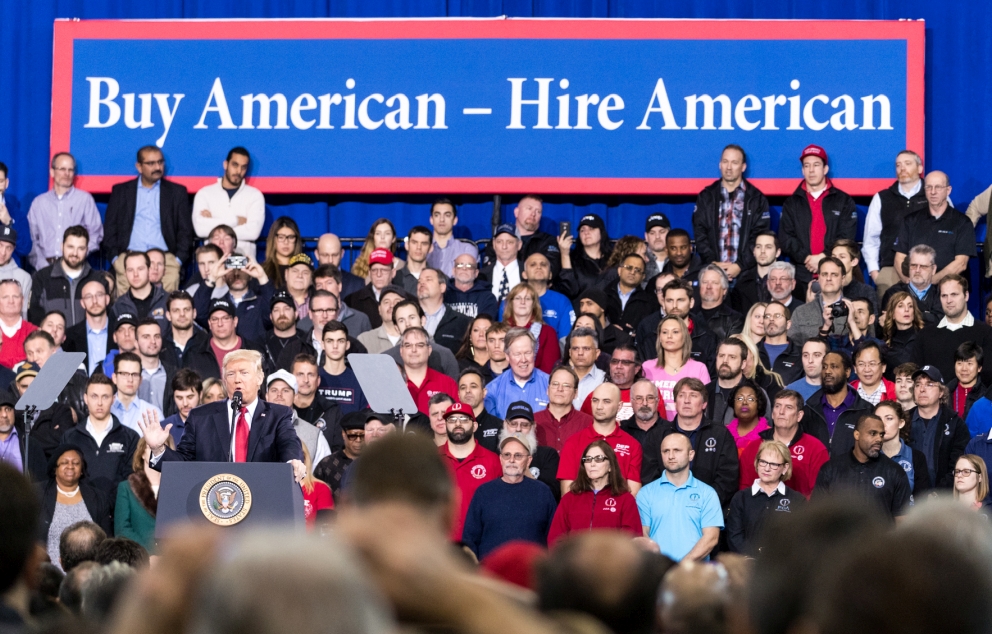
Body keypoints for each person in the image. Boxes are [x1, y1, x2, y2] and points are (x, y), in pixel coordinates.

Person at [138, 349, 306, 482]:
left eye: (244, 373)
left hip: (261, 506)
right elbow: (183, 464)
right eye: (231, 374)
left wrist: (292, 461)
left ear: (259, 378)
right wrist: (158, 449)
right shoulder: (201, 416)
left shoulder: (277, 415)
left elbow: (288, 443)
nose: (237, 380)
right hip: (213, 508)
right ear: (225, 381)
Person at [104, 146, 192, 292]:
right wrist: (116, 260)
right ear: (139, 167)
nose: (157, 167)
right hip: (130, 256)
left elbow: (185, 231)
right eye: (151, 163)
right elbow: (110, 229)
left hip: (165, 259)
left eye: (160, 162)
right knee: (127, 308)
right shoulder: (121, 191)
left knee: (168, 306)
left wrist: (177, 261)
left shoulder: (177, 192)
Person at [641, 377, 739, 508]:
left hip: (707, 509)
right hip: (666, 508)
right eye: (681, 395)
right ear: (675, 402)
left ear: (704, 404)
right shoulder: (657, 435)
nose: (687, 401)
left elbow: (728, 478)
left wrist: (702, 503)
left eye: (693, 395)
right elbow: (650, 477)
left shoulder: (720, 434)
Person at [461, 434, 556, 559]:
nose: (511, 460)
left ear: (528, 460)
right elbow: (469, 539)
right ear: (500, 459)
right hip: (491, 574)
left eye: (518, 455)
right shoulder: (483, 492)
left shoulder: (543, 492)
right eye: (507, 455)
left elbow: (554, 538)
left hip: (532, 573)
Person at [778, 145, 858, 287]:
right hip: (801, 275)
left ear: (825, 169)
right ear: (802, 170)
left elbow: (846, 236)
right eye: (807, 166)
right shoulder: (791, 203)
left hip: (836, 275)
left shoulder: (843, 200)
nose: (811, 170)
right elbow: (786, 238)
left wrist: (823, 257)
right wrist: (806, 258)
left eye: (816, 165)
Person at [638, 431, 723, 561]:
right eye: (665, 451)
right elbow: (643, 536)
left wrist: (682, 566)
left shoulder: (707, 493)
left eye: (677, 450)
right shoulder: (645, 493)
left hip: (695, 574)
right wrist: (659, 566)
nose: (671, 456)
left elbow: (711, 538)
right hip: (657, 573)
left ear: (691, 455)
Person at [692, 144, 771, 281]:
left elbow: (759, 236)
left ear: (743, 167)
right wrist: (713, 263)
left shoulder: (756, 198)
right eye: (725, 161)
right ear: (719, 165)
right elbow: (700, 233)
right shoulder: (706, 196)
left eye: (734, 162)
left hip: (746, 276)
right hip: (713, 276)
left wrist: (740, 265)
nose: (729, 167)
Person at [813, 414, 911, 520]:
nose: (879, 439)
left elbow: (902, 520)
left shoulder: (894, 471)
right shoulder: (831, 469)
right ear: (857, 435)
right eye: (873, 433)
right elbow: (818, 517)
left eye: (881, 435)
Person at [546, 440, 641, 545]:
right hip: (574, 560)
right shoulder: (569, 499)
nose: (592, 464)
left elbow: (632, 540)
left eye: (598, 459)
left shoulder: (625, 499)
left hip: (612, 560)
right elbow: (556, 538)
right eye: (587, 459)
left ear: (610, 466)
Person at [862, 150, 928, 298]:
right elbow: (870, 239)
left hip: (927, 271)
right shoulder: (882, 198)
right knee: (888, 319)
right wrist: (875, 274)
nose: (902, 168)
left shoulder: (933, 195)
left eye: (908, 164)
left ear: (920, 168)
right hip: (890, 271)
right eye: (898, 165)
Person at [738, 390, 829, 497]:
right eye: (777, 406)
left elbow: (819, 494)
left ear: (799, 416)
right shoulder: (753, 448)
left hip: (801, 512)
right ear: (772, 413)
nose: (781, 411)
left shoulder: (815, 449)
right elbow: (743, 491)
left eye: (788, 407)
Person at [557, 383, 642, 496]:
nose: (599, 406)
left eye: (606, 401)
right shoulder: (573, 442)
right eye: (595, 400)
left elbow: (633, 494)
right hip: (581, 512)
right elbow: (567, 493)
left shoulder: (632, 445)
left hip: (617, 511)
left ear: (619, 406)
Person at [39, 445, 113, 569]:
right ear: (55, 469)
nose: (70, 466)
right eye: (64, 462)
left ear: (82, 469)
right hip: (50, 575)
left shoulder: (98, 497)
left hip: (91, 576)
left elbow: (107, 540)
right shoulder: (38, 493)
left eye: (76, 463)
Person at [894, 171, 974, 285]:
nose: (933, 192)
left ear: (948, 190)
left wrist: (929, 283)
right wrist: (909, 283)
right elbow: (899, 258)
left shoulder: (962, 223)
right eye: (929, 187)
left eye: (938, 187)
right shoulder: (910, 221)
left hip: (949, 292)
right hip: (915, 289)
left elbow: (961, 263)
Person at [436, 401, 502, 540]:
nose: (457, 424)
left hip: (479, 544)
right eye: (452, 420)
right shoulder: (431, 458)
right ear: (446, 425)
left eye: (464, 419)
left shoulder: (493, 461)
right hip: (439, 545)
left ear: (475, 426)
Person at [727, 440, 806, 555]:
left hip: (783, 568)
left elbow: (801, 539)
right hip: (746, 566)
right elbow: (734, 536)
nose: (767, 468)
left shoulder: (797, 501)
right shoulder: (741, 498)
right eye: (763, 462)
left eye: (774, 464)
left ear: (784, 468)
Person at [27, 152, 103, 272]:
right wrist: (42, 265)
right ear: (52, 172)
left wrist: (77, 257)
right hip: (44, 269)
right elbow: (31, 239)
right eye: (62, 169)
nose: (66, 174)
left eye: (70, 170)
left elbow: (95, 234)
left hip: (76, 269)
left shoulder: (84, 199)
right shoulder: (39, 203)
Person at [913, 275, 992, 385]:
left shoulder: (986, 334)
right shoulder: (925, 335)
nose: (948, 300)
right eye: (944, 296)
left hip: (973, 400)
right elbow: (918, 376)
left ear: (966, 296)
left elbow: (988, 377)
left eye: (954, 294)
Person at [191, 147, 264, 260]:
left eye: (243, 167)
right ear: (226, 164)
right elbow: (200, 230)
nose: (239, 171)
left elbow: (253, 232)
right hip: (212, 260)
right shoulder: (204, 193)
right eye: (235, 165)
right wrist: (235, 221)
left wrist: (213, 223)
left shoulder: (255, 195)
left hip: (242, 260)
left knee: (235, 272)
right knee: (213, 273)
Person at [637, 278, 719, 378]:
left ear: (691, 302)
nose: (674, 306)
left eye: (680, 300)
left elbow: (712, 379)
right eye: (670, 300)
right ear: (663, 303)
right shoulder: (649, 337)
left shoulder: (708, 338)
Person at [907, 364, 970, 488]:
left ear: (941, 392)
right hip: (908, 496)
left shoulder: (955, 423)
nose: (922, 389)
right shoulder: (903, 421)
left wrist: (938, 494)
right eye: (918, 384)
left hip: (943, 498)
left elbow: (958, 466)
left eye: (929, 384)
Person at [193, 253, 275, 344]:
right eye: (231, 270)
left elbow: (275, 313)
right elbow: (197, 313)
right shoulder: (217, 305)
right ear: (224, 275)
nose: (236, 274)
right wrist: (212, 277)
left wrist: (262, 277)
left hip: (253, 356)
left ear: (250, 274)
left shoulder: (261, 303)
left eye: (241, 269)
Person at [801, 350, 871, 455]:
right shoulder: (809, 410)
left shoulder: (865, 411)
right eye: (824, 367)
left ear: (847, 372)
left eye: (834, 366)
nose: (827, 371)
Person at [28, 225, 100, 327]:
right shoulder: (41, 278)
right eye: (70, 247)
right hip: (51, 341)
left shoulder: (96, 279)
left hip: (84, 342)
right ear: (62, 246)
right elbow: (33, 314)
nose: (75, 253)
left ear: (87, 250)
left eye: (81, 248)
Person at [642, 315, 711, 421]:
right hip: (654, 428)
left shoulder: (699, 368)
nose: (669, 336)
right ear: (660, 337)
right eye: (664, 332)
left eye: (675, 332)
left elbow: (705, 405)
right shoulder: (646, 367)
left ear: (684, 336)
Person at [183, 298, 267, 381]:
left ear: (235, 321)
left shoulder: (254, 352)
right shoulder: (194, 354)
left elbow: (264, 388)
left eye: (225, 318)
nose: (220, 324)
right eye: (215, 319)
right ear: (209, 323)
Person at [114, 435, 173, 552]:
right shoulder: (126, 487)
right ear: (142, 453)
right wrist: (147, 553)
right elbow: (122, 529)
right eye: (152, 447)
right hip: (139, 558)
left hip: (170, 560)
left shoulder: (177, 487)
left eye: (162, 448)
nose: (157, 452)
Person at [266, 369, 332, 470]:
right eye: (274, 390)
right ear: (266, 396)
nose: (279, 395)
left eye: (285, 390)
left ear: (295, 397)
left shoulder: (314, 434)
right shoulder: (252, 427)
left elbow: (325, 473)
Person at [383, 300, 460, 379]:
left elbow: (454, 388)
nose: (408, 324)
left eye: (412, 317)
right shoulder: (386, 359)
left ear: (423, 320)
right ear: (396, 328)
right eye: (401, 320)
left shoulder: (445, 355)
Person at [484, 328, 550, 418]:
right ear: (507, 356)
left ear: (534, 353)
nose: (523, 360)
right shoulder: (492, 390)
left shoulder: (550, 384)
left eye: (527, 353)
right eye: (517, 354)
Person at [497, 401, 559, 495]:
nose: (518, 429)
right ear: (505, 424)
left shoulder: (548, 455)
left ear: (533, 426)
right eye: (513, 424)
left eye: (524, 425)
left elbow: (552, 494)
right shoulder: (495, 454)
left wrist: (524, 467)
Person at [787, 257, 851, 346]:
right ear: (819, 278)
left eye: (834, 274)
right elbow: (791, 348)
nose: (828, 278)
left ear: (843, 279)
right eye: (824, 274)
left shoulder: (854, 309)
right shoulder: (801, 312)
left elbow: (867, 344)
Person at [500, 283, 560, 374]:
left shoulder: (548, 332)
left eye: (527, 298)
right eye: (518, 298)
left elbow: (550, 371)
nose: (522, 302)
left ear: (534, 304)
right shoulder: (500, 331)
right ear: (511, 303)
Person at [877, 400, 931, 499]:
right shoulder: (867, 455)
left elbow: (921, 499)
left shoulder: (917, 457)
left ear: (901, 423)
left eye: (889, 418)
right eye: (878, 419)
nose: (882, 424)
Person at [880, 244, 944, 325]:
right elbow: (888, 325)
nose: (917, 270)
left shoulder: (942, 294)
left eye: (923, 266)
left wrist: (906, 315)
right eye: (913, 265)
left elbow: (941, 322)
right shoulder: (893, 293)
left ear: (933, 269)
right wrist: (928, 315)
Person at [401, 326, 458, 415]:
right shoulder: (390, 384)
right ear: (401, 350)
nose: (414, 350)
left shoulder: (448, 383)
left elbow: (458, 419)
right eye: (408, 345)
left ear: (429, 350)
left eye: (420, 345)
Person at [534, 365, 593, 451]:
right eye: (555, 384)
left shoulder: (588, 423)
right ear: (548, 389)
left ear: (575, 393)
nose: (560, 389)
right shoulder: (533, 421)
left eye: (566, 385)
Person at [62, 279, 115, 375]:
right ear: (82, 303)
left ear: (107, 299)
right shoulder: (69, 337)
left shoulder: (120, 333)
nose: (94, 301)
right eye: (88, 297)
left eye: (99, 295)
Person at [579, 344, 644, 421]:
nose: (618, 366)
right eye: (614, 361)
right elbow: (583, 427)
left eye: (625, 362)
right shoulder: (595, 396)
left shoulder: (648, 396)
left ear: (636, 368)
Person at [317, 321, 369, 416]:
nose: (335, 346)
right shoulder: (313, 378)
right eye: (330, 341)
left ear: (347, 345)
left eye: (340, 341)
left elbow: (363, 417)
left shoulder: (359, 380)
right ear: (322, 344)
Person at [313, 411, 365, 504]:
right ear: (343, 434)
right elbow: (314, 495)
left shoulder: (374, 463)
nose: (358, 440)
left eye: (362, 436)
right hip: (333, 517)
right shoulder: (327, 464)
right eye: (352, 436)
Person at [602, 253, 657, 338]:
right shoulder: (603, 295)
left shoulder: (650, 302)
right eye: (629, 268)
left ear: (643, 277)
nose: (632, 272)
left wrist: (635, 333)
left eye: (637, 270)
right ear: (619, 270)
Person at [417, 267, 471, 354]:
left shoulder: (462, 322)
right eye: (419, 281)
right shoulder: (407, 317)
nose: (422, 283)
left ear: (442, 287)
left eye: (428, 279)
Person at [109, 351, 163, 434]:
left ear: (140, 379)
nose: (130, 380)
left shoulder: (153, 414)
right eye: (124, 374)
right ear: (114, 378)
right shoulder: (105, 409)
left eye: (134, 374)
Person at [558, 213, 613, 294]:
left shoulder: (614, 259)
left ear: (601, 232)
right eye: (582, 230)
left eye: (591, 228)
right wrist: (565, 255)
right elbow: (569, 290)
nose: (586, 232)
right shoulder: (572, 260)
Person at [423, 198, 478, 277]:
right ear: (431, 219)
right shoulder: (422, 248)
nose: (442, 219)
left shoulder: (466, 249)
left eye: (447, 215)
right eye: (437, 215)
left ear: (455, 220)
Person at [345, 248, 397, 329]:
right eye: (374, 270)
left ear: (393, 273)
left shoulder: (406, 299)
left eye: (384, 270)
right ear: (369, 273)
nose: (379, 274)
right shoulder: (351, 301)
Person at [112, 250, 168, 325]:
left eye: (140, 269)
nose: (135, 274)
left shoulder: (168, 301)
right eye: (130, 270)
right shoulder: (118, 306)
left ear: (149, 270)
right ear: (125, 273)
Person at [135, 318, 177, 415]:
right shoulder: (129, 375)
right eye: (146, 337)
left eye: (157, 336)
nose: (153, 341)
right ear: (136, 343)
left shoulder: (174, 374)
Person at [263, 291, 313, 372]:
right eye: (276, 310)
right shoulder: (261, 343)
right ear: (271, 316)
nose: (282, 314)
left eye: (286, 309)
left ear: (296, 314)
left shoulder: (307, 341)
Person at [731, 232, 779, 313]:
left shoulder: (788, 282)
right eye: (758, 247)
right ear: (754, 251)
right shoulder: (742, 283)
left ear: (778, 252)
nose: (762, 251)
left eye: (768, 247)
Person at [880, 291, 925, 378]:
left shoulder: (924, 338)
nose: (906, 310)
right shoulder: (885, 345)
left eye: (910, 306)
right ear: (892, 314)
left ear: (914, 312)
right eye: (901, 306)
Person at [457, 368, 503, 451]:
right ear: (458, 395)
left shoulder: (499, 426)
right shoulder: (454, 427)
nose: (468, 391)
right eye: (463, 387)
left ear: (484, 392)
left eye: (473, 386)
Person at [758, 302, 803, 384]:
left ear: (788, 324)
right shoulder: (752, 351)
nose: (771, 319)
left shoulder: (800, 355)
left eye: (777, 316)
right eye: (767, 316)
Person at [161, 290, 206, 370]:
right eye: (176, 310)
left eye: (186, 309)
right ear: (168, 315)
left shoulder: (207, 344)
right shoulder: (160, 347)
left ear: (194, 313)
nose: (182, 314)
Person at [355, 285, 407, 354]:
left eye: (397, 302)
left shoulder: (416, 339)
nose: (391, 305)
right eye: (386, 302)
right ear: (379, 309)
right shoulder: (364, 340)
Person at [446, 253, 498, 319]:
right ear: (453, 271)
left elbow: (485, 325)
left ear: (476, 273)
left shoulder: (487, 297)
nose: (464, 269)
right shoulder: (443, 294)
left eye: (469, 266)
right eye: (459, 265)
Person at [315, 233, 365, 298]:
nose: (330, 260)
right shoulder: (308, 283)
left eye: (335, 255)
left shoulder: (356, 284)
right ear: (316, 254)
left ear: (342, 253)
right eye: (325, 255)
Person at [159, 368, 201, 445]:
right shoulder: (164, 428)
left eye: (190, 397)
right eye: (179, 398)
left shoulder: (212, 425)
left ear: (200, 395)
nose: (185, 403)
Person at [946, 341, 986, 420]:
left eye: (969, 363)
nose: (964, 369)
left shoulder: (985, 396)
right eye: (959, 363)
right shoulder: (945, 392)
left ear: (979, 368)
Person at [482, 224, 522, 303]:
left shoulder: (528, 273)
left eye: (510, 242)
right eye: (499, 242)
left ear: (519, 245)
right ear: (494, 244)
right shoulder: (482, 275)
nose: (504, 247)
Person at [727, 379, 770, 452]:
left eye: (750, 399)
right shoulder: (724, 433)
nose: (744, 402)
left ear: (759, 404)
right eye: (739, 398)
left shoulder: (769, 435)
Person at [0, 279, 35, 368]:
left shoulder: (34, 332)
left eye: (15, 296)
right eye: (5, 297)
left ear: (22, 300)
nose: (11, 301)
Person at [618, 378, 665, 444]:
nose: (645, 403)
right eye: (639, 398)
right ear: (631, 402)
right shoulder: (621, 430)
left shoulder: (670, 431)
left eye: (650, 398)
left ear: (657, 401)